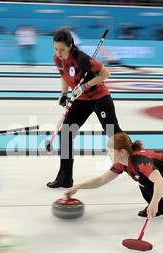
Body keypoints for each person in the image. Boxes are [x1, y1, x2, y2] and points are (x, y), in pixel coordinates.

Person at [47, 28, 123, 188]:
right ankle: (65, 178)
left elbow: (105, 74)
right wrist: (63, 94)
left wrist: (86, 85)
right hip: (81, 100)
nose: (58, 53)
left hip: (99, 98)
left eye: (61, 49)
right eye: (55, 49)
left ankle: (135, 164)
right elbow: (65, 77)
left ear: (70, 46)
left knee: (115, 136)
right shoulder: (58, 59)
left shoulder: (81, 59)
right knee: (66, 133)